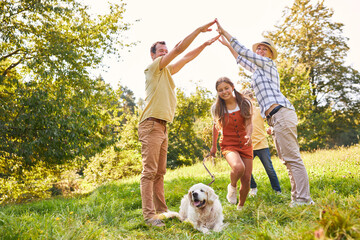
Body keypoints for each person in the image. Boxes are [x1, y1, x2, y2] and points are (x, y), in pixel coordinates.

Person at [215, 19, 313, 207]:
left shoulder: (267, 64)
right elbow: (240, 58)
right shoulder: (257, 71)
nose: (259, 52)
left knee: (292, 158)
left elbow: (244, 51)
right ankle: (298, 198)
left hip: (281, 112)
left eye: (263, 49)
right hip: (274, 118)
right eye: (258, 49)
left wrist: (225, 32)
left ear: (269, 55)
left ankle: (304, 198)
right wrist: (227, 45)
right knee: (287, 160)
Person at [138, 20, 220, 227]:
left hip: (162, 126)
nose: (165, 53)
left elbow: (186, 56)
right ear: (153, 55)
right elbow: (179, 48)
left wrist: (204, 45)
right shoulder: (154, 68)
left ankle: (162, 211)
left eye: (166, 51)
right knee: (149, 172)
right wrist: (199, 31)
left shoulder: (167, 71)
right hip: (150, 124)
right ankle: (149, 216)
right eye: (161, 51)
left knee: (160, 172)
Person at [210, 77, 253, 210]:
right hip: (229, 144)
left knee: (246, 179)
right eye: (220, 90)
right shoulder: (216, 108)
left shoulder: (245, 102)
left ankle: (240, 206)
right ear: (217, 92)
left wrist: (249, 135)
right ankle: (232, 186)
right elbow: (216, 127)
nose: (224, 92)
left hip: (245, 143)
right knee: (238, 167)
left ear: (232, 87)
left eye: (226, 88)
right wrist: (213, 146)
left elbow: (249, 123)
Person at [242, 89, 281, 196]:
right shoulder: (242, 114)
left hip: (262, 144)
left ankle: (277, 190)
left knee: (269, 169)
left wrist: (270, 128)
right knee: (245, 169)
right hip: (249, 146)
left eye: (248, 99)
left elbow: (270, 120)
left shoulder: (260, 110)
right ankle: (253, 187)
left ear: (253, 99)